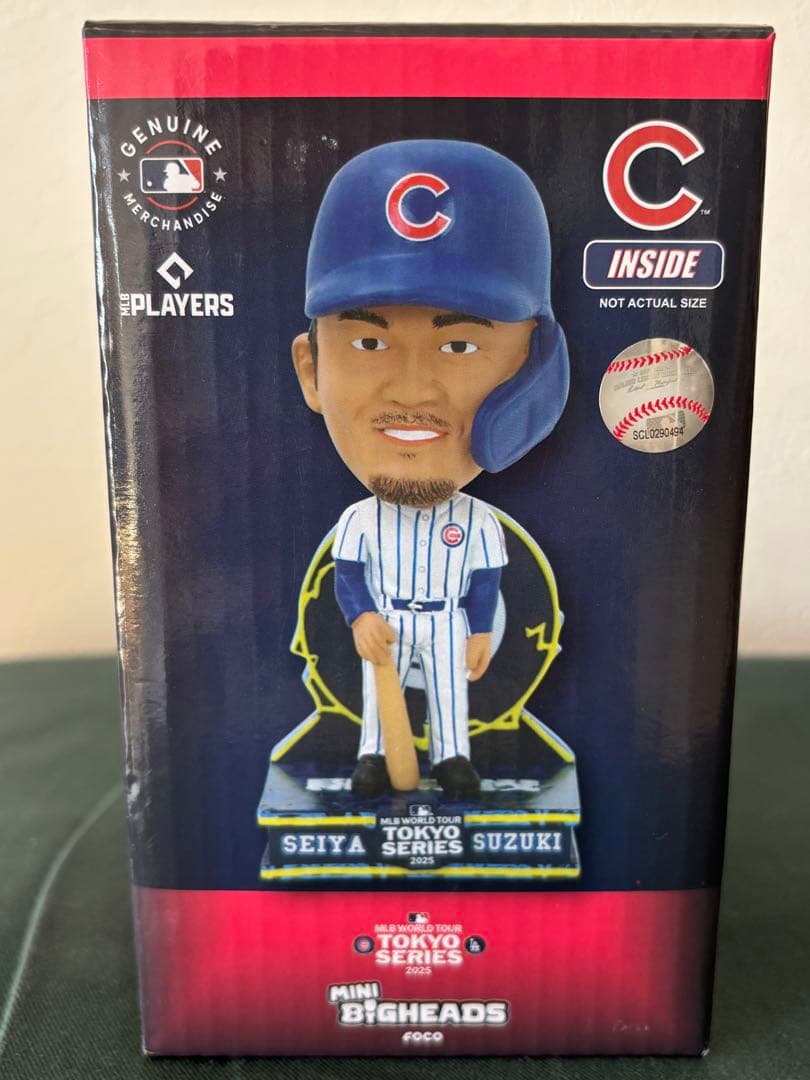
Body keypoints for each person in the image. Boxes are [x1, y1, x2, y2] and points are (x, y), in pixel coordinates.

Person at [292, 139, 569, 799]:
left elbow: (486, 579)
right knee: (375, 698)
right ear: (311, 371)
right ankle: (369, 757)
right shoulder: (357, 520)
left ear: (536, 368)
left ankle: (453, 759)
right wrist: (360, 615)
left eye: (460, 345)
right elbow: (349, 574)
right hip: (386, 618)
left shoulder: (477, 521)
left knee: (450, 695)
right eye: (369, 341)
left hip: (447, 620)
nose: (413, 390)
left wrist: (482, 627)